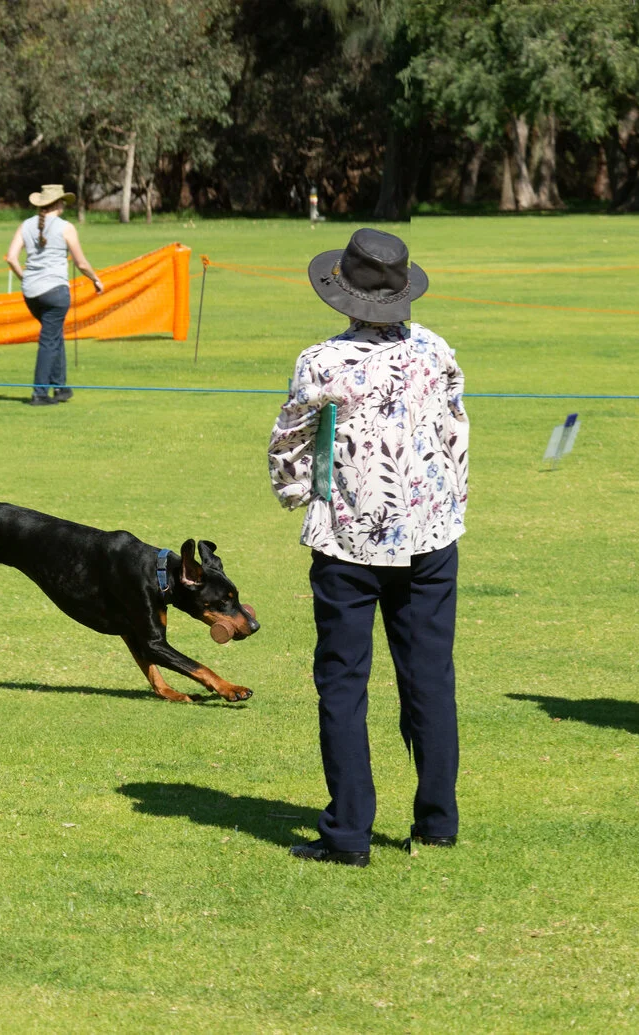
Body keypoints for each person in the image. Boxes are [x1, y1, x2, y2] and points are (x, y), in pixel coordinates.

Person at [267, 228, 468, 867]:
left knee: (344, 684)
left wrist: (300, 494)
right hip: (432, 535)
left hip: (349, 539)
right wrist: (448, 502)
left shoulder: (322, 361)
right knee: (430, 677)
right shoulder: (435, 350)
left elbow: (290, 441)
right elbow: (455, 431)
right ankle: (437, 822)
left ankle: (349, 834)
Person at [4, 185, 105, 406]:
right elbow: (81, 263)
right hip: (55, 293)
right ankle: (39, 393)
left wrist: (25, 279)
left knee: (54, 334)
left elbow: (11, 258)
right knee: (49, 340)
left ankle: (60, 387)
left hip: (31, 294)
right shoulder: (66, 227)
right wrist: (96, 280)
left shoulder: (25, 225)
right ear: (58, 203)